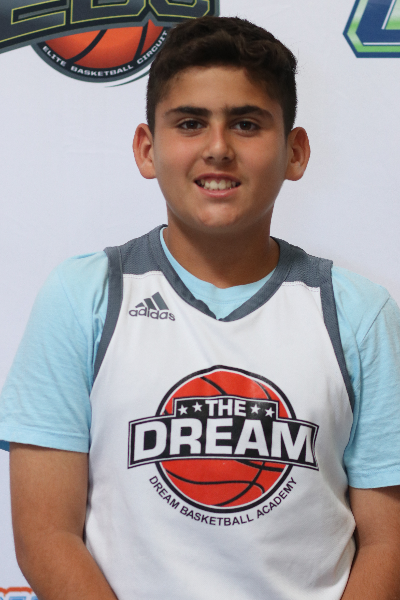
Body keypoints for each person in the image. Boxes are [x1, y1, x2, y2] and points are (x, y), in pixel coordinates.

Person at [1, 15, 400, 600]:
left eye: (246, 124)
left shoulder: (358, 313)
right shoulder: (83, 296)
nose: (218, 148)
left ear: (294, 152)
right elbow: (45, 535)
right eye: (190, 123)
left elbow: (389, 543)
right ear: (147, 148)